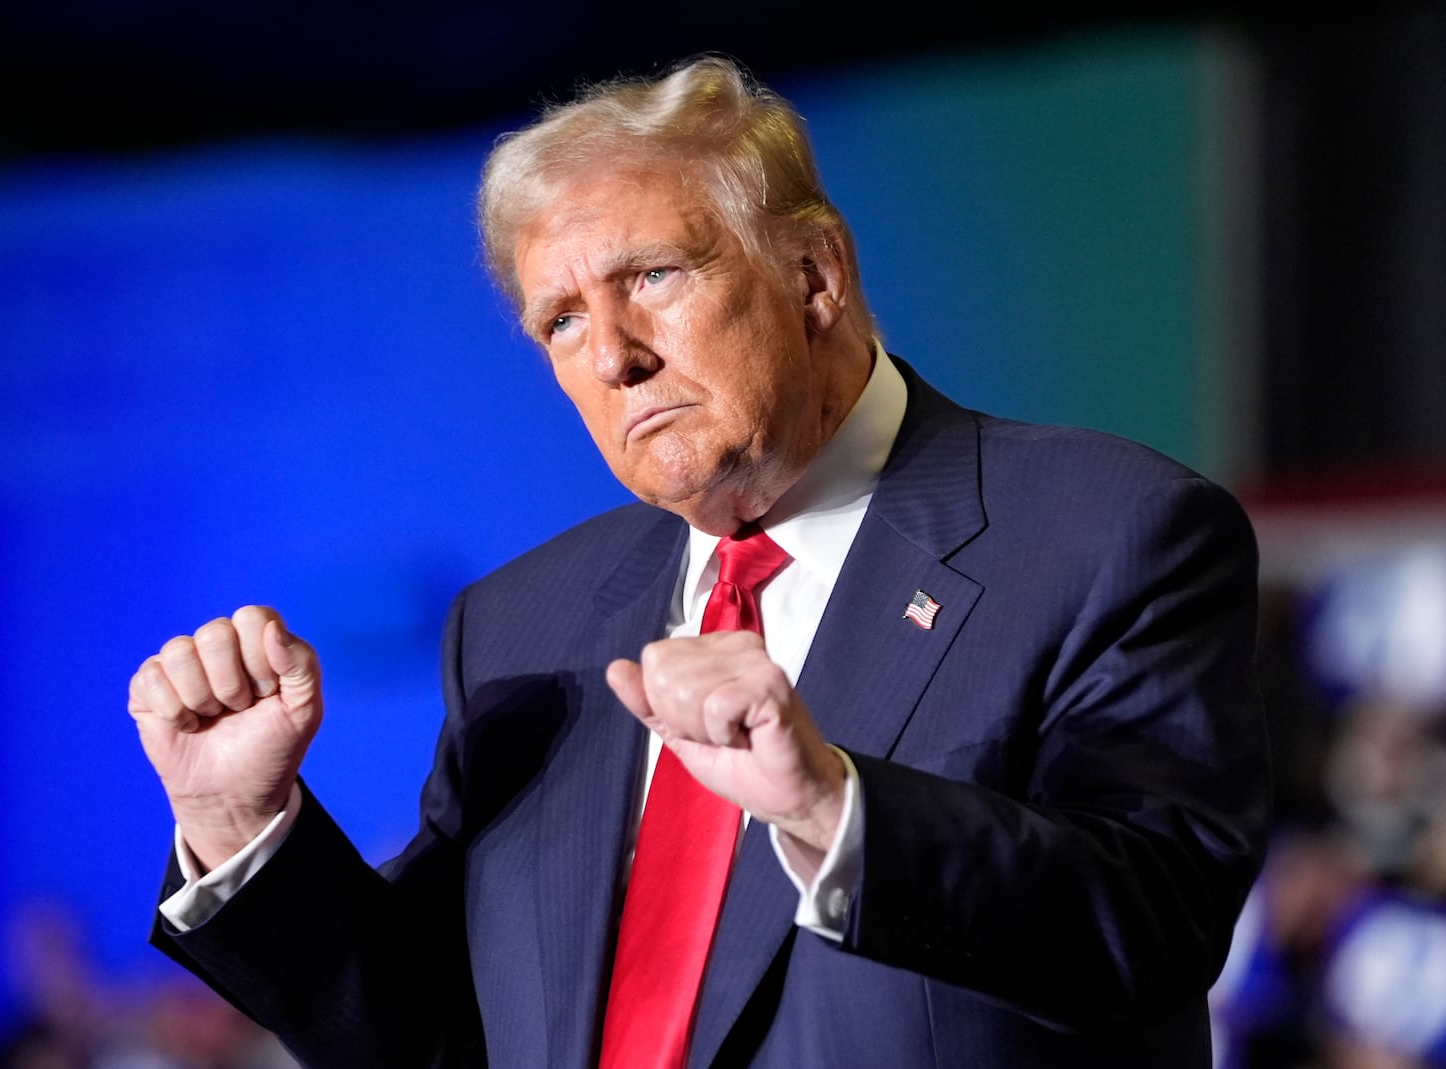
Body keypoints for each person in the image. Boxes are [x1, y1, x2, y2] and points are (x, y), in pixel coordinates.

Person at [128, 55, 1270, 1069]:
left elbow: (1153, 924)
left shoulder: (1104, 530)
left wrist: (840, 814)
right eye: (561, 321)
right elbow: (428, 1034)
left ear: (816, 277)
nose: (613, 356)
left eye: (652, 277)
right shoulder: (523, 625)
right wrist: (242, 824)